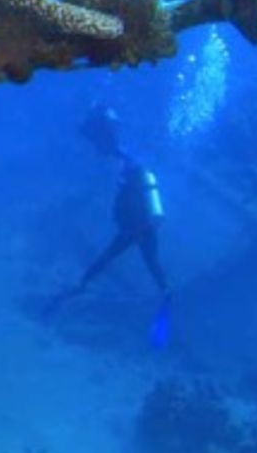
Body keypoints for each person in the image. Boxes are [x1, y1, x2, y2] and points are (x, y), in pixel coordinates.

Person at [46, 104, 170, 313]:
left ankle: (82, 284)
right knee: (150, 262)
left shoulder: (128, 171)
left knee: (109, 257)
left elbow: (123, 202)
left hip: (132, 228)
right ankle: (167, 293)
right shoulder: (134, 170)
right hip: (144, 226)